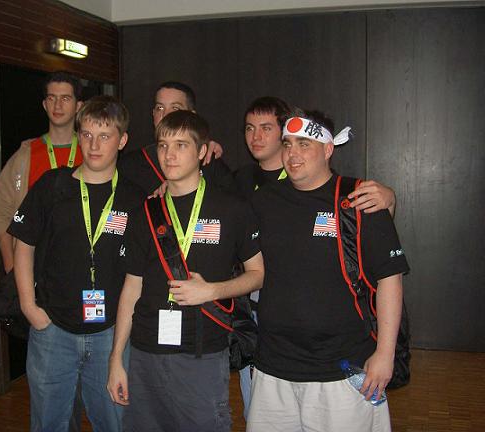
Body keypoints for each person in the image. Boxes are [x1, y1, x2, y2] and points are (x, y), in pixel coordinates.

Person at [233, 96, 398, 419]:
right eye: (287, 144)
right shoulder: (263, 201)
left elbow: (389, 278)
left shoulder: (359, 199)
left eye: (304, 144)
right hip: (273, 366)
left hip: (343, 367)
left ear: (328, 149)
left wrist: (385, 354)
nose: (292, 154)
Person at [107, 110, 264, 432]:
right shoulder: (145, 212)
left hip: (201, 353)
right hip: (145, 351)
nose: (169, 154)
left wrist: (212, 290)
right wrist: (116, 358)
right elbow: (132, 287)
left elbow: (258, 273)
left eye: (181, 145)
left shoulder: (232, 208)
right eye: (163, 145)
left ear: (202, 152)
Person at [8, 96, 145, 432]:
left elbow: (137, 273)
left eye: (105, 136)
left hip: (110, 334)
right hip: (53, 329)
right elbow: (23, 244)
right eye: (87, 135)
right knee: (49, 424)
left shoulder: (134, 197)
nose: (94, 145)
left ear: (122, 140)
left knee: (113, 423)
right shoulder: (52, 185)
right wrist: (28, 306)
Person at [0, 71, 84, 274]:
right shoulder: (25, 154)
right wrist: (11, 266)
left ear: (78, 106)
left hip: (79, 267)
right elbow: (2, 210)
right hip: (33, 267)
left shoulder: (91, 152)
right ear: (44, 104)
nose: (57, 106)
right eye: (52, 98)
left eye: (65, 98)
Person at [118, 81, 233, 194]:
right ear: (153, 114)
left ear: (192, 115)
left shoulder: (207, 161)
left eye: (175, 108)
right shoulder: (130, 165)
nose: (165, 115)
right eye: (160, 108)